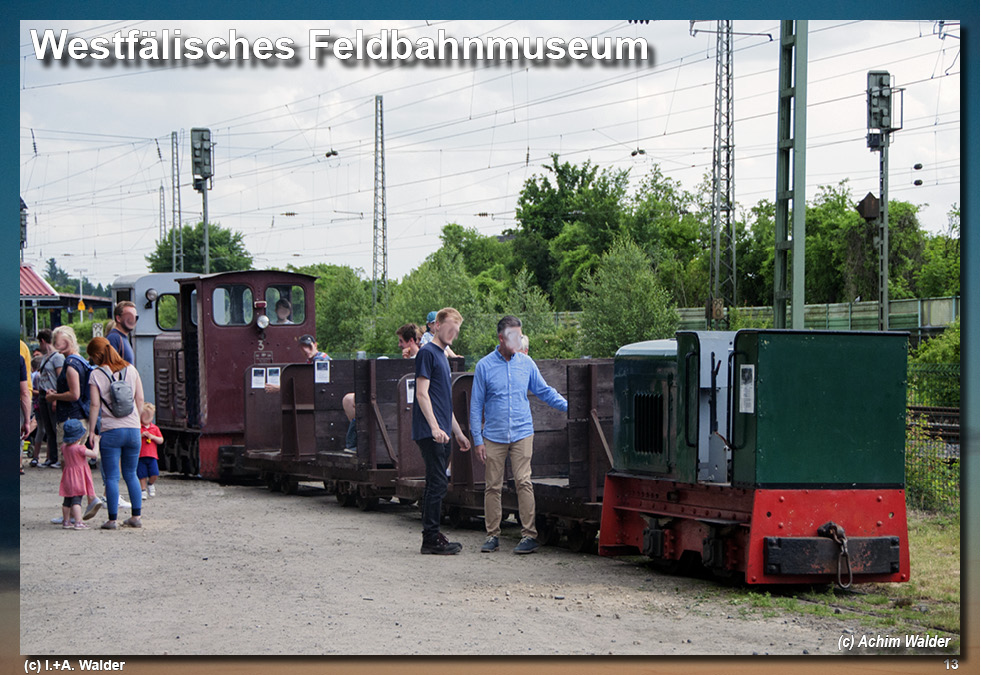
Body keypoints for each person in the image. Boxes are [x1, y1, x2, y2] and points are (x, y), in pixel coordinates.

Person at [470, 316, 568, 554]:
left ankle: (529, 535)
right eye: (514, 335)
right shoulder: (484, 366)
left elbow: (544, 391)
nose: (519, 339)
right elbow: (475, 405)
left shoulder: (526, 363)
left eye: (520, 335)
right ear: (501, 338)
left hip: (522, 432)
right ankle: (492, 535)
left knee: (524, 482)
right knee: (493, 486)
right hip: (493, 435)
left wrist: (570, 406)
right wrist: (477, 440)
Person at [412, 307, 471, 554]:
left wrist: (457, 432)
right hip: (431, 432)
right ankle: (430, 539)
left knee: (435, 483)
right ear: (437, 325)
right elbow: (421, 394)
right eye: (449, 329)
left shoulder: (442, 356)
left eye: (456, 331)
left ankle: (432, 535)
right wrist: (435, 427)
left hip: (443, 432)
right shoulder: (427, 353)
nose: (452, 335)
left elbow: (444, 402)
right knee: (437, 483)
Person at [87, 337, 145, 530]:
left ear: (97, 355)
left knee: (112, 477)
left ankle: (112, 520)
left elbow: (95, 405)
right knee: (131, 473)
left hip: (111, 431)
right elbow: (140, 399)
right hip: (133, 430)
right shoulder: (131, 369)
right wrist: (135, 421)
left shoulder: (96, 374)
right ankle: (136, 517)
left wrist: (91, 431)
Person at [58, 419, 99, 531]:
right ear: (79, 437)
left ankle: (66, 521)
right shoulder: (80, 448)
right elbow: (94, 455)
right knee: (77, 500)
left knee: (67, 500)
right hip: (78, 477)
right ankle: (78, 522)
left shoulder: (64, 447)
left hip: (67, 476)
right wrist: (97, 443)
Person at [34, 330, 65, 467]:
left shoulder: (57, 357)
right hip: (43, 395)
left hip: (51, 394)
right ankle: (51, 458)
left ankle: (59, 458)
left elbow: (60, 378)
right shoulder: (46, 357)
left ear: (42, 341)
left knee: (55, 427)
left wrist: (56, 398)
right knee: (48, 428)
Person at [138, 403, 163, 499]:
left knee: (154, 473)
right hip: (141, 455)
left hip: (152, 455)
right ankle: (143, 490)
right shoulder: (138, 428)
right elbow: (134, 439)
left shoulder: (155, 428)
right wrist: (141, 435)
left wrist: (153, 437)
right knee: (142, 475)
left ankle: (150, 484)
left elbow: (161, 440)